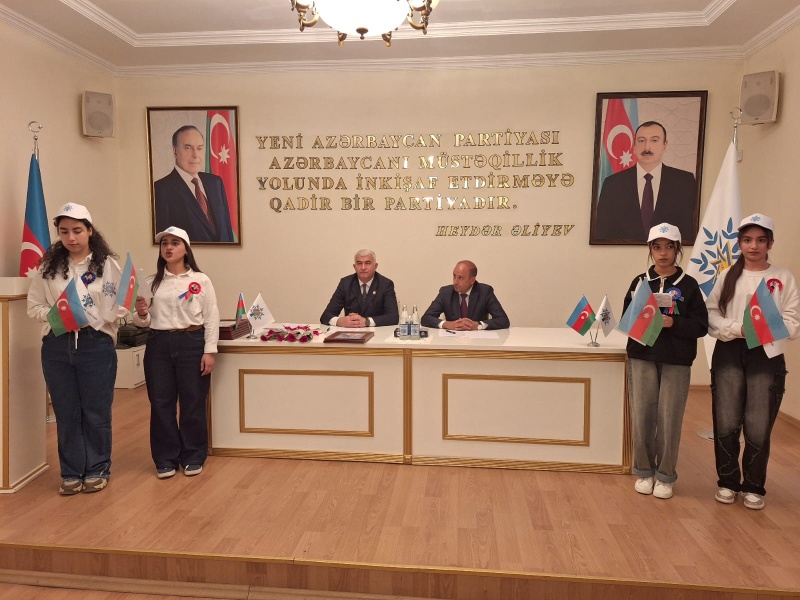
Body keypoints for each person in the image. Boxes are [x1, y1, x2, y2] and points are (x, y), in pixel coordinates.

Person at [27, 203, 129, 495]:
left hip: (95, 344)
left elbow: (123, 303)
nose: (71, 237)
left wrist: (102, 318)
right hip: (57, 344)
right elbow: (34, 306)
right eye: (64, 232)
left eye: (77, 230)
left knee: (96, 411)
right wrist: (58, 315)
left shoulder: (107, 266)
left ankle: (97, 469)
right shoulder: (48, 268)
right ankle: (71, 472)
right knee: (66, 411)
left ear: (90, 231)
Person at [706, 213, 799, 510]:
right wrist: (737, 329)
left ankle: (753, 485)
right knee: (727, 419)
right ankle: (728, 481)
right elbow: (711, 315)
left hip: (766, 354)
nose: (754, 246)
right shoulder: (727, 276)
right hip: (729, 351)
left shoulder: (783, 278)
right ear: (739, 243)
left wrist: (763, 329)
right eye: (747, 240)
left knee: (758, 423)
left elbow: (793, 322)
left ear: (770, 243)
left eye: (760, 240)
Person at [623, 223, 708, 500]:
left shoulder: (689, 285)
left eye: (669, 247)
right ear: (650, 250)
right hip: (642, 356)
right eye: (657, 247)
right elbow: (627, 319)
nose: (663, 253)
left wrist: (674, 322)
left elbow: (701, 326)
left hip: (676, 360)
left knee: (670, 418)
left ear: (677, 250)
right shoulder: (639, 282)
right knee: (642, 415)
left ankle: (665, 475)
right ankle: (644, 471)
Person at [133, 226, 220, 479]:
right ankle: (165, 458)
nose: (168, 248)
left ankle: (193, 456)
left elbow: (211, 316)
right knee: (161, 403)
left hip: (192, 343)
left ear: (186, 249)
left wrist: (210, 351)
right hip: (158, 344)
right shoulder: (151, 282)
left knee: (193, 401)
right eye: (164, 244)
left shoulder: (201, 280)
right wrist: (141, 313)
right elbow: (142, 322)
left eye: (175, 243)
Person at [594, 121, 697, 244]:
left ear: (665, 145)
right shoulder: (612, 184)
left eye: (654, 140)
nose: (647, 147)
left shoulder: (685, 182)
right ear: (634, 145)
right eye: (641, 141)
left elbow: (689, 231)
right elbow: (602, 233)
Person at [154, 125, 235, 243]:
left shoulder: (215, 182)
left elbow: (227, 230)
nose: (195, 155)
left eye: (199, 148)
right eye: (188, 148)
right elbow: (164, 242)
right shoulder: (161, 189)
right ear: (175, 152)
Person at [421, 260, 509, 330]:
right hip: (451, 341)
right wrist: (447, 324)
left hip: (478, 341)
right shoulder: (445, 293)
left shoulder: (485, 292)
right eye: (454, 276)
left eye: (461, 278)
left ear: (472, 280)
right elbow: (426, 318)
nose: (455, 282)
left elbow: (503, 320)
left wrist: (478, 325)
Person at [320, 249, 399, 327]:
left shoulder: (385, 284)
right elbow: (325, 316)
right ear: (354, 267)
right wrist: (340, 321)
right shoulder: (345, 283)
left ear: (375, 266)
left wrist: (367, 322)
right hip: (351, 333)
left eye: (367, 263)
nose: (363, 267)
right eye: (359, 263)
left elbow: (393, 317)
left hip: (378, 333)